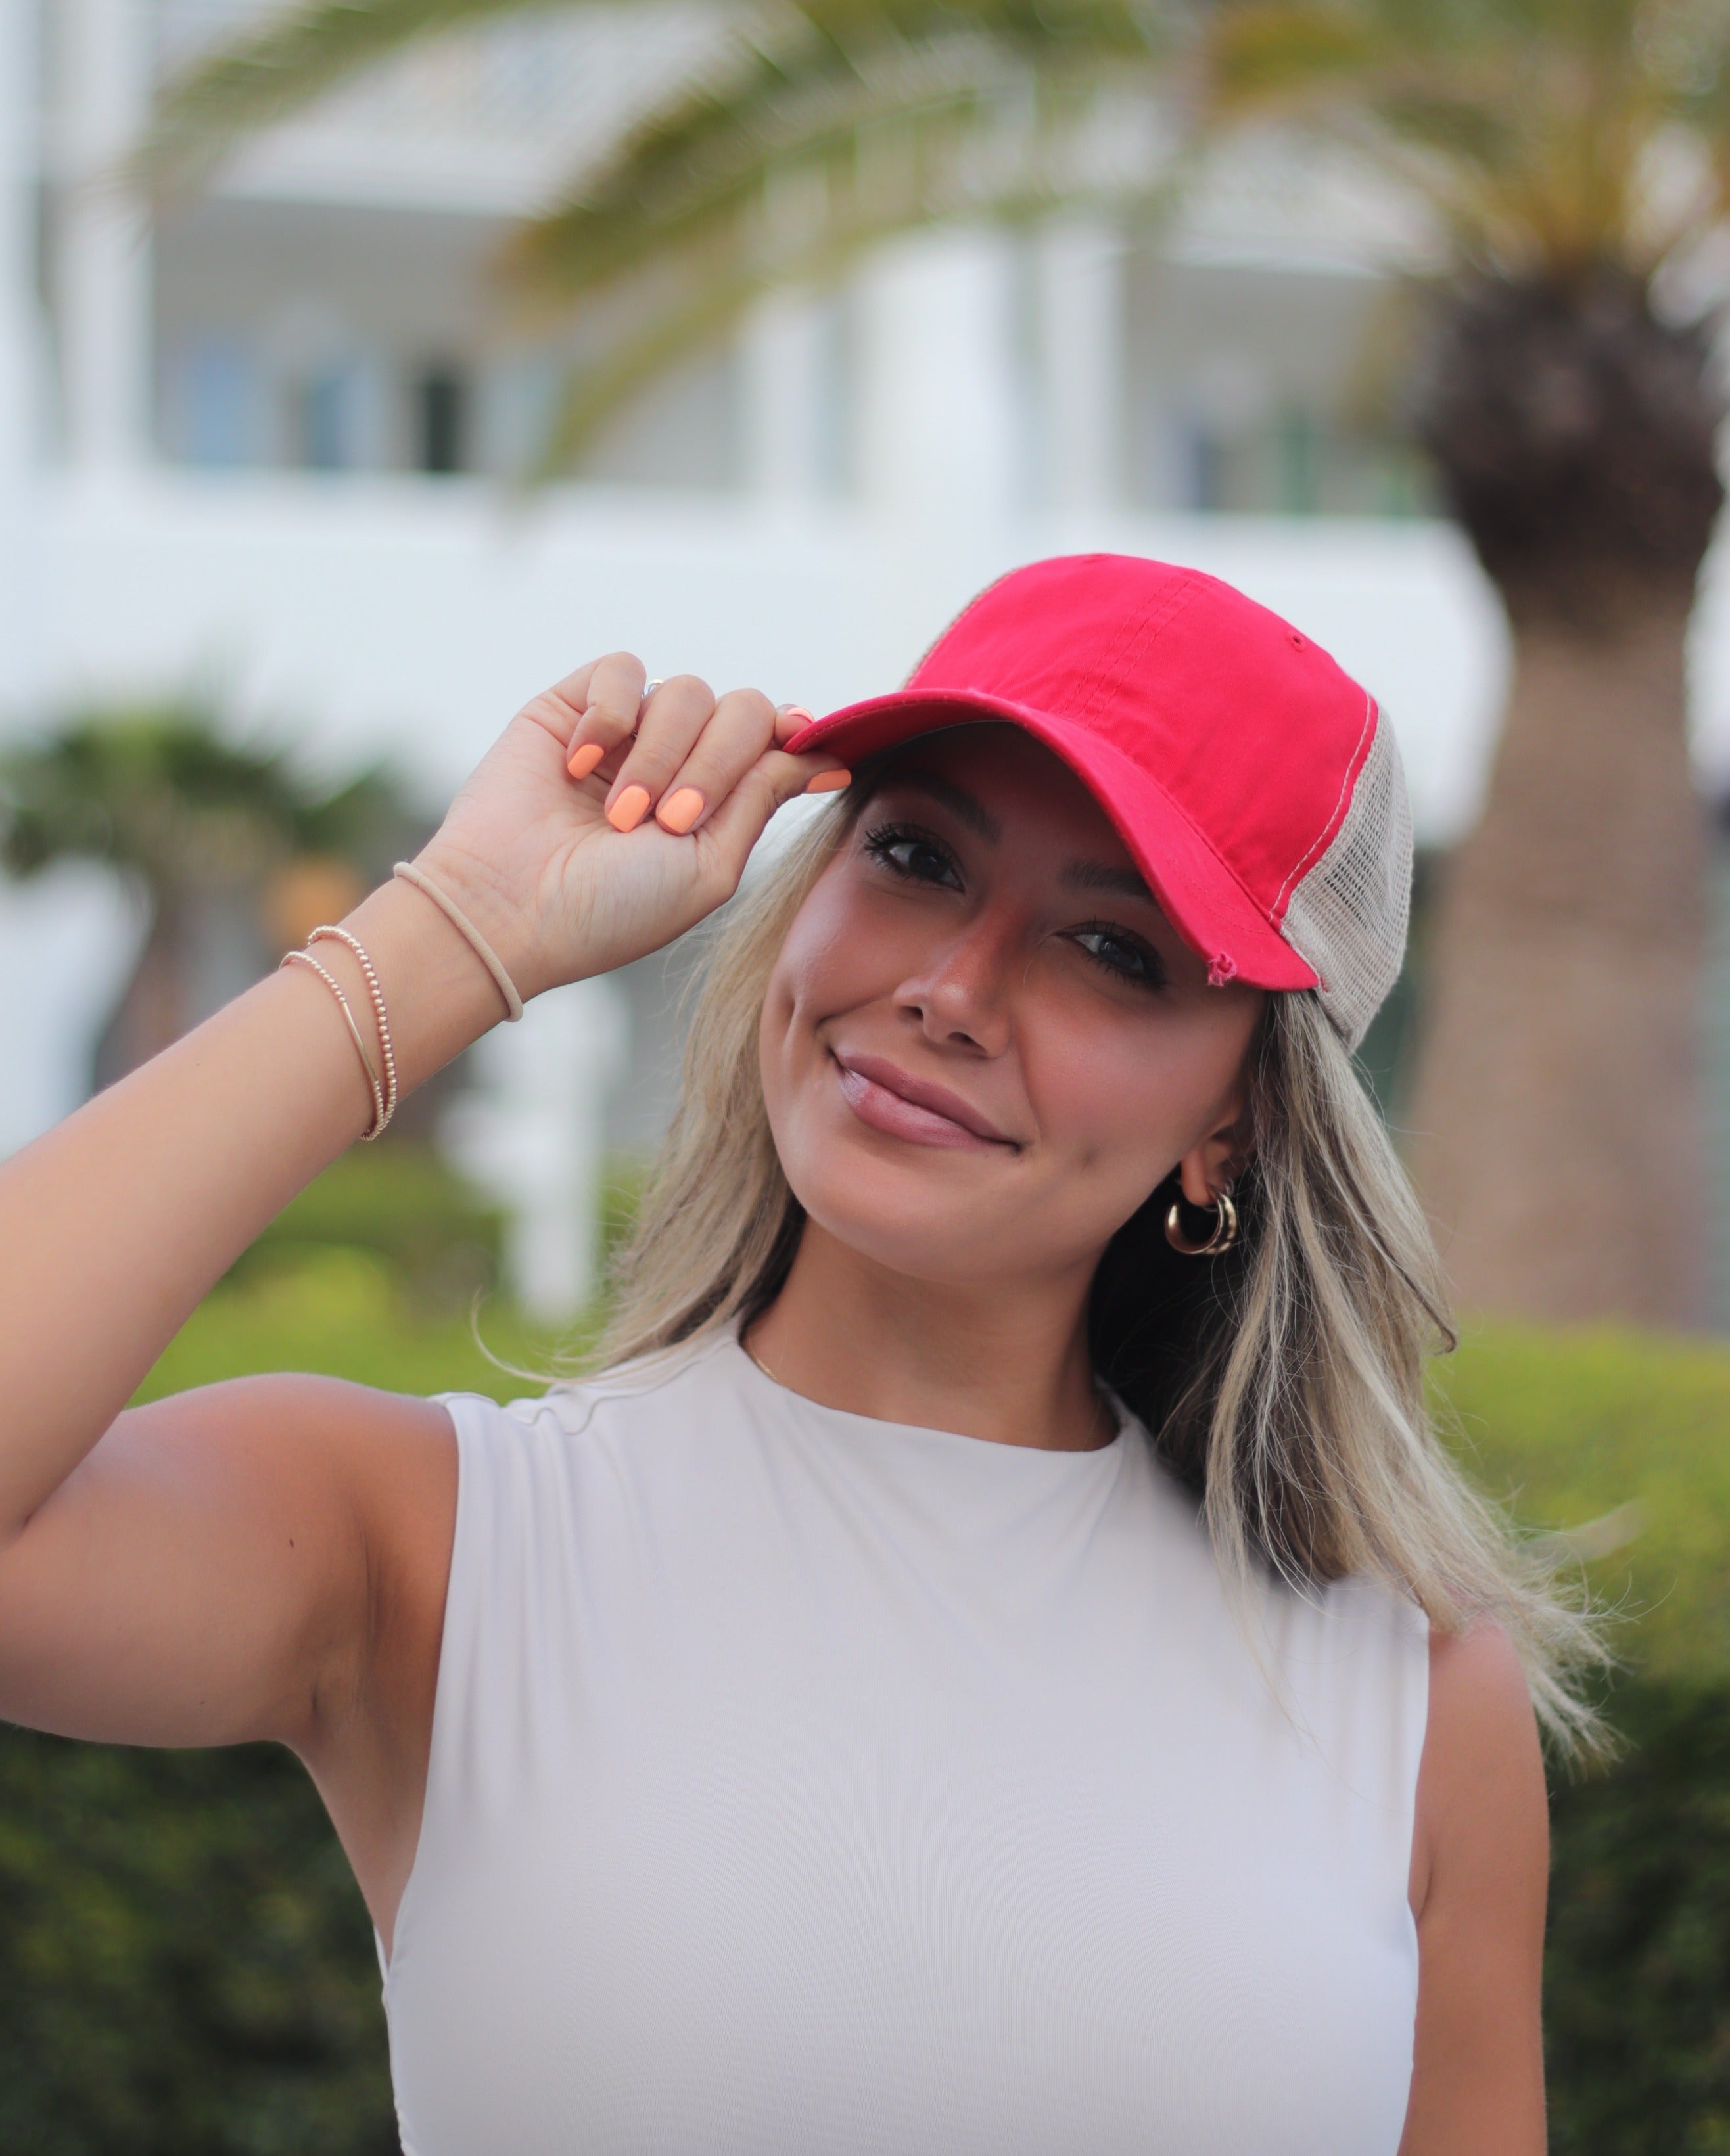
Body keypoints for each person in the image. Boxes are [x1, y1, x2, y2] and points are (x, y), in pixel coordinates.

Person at [0, 553, 1593, 2155]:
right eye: (913, 857)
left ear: (1232, 1118)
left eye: (1111, 949)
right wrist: (459, 925)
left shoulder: (1411, 1701)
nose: (950, 990)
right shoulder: (434, 1544)